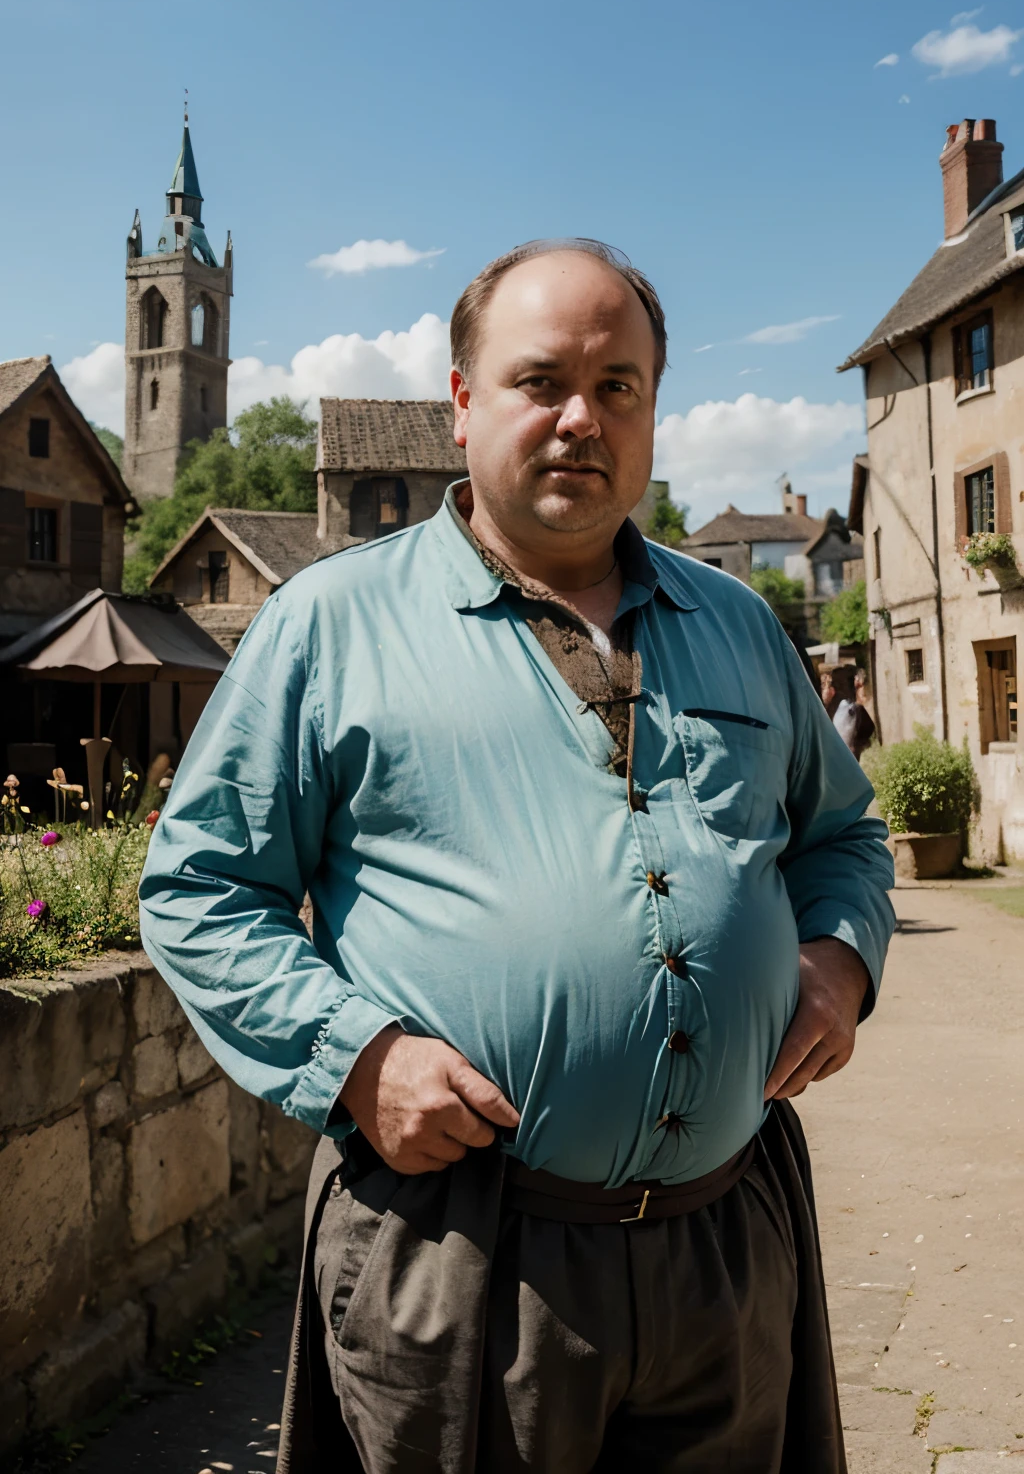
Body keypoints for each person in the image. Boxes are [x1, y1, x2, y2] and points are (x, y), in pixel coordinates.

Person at [139, 238, 895, 1474]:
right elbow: (198, 886)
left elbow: (844, 838)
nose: (578, 419)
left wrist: (839, 957)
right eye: (540, 380)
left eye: (617, 387)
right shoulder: (329, 625)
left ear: (653, 409)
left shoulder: (744, 627)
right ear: (460, 404)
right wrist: (355, 1056)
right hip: (467, 1260)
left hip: (727, 1248)